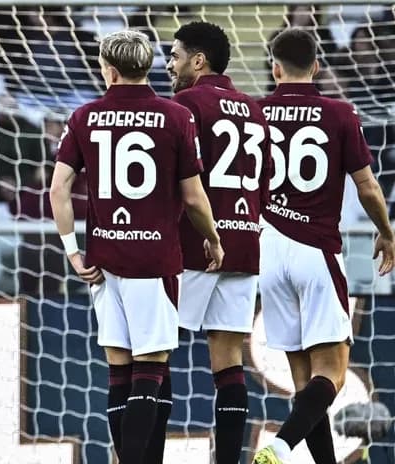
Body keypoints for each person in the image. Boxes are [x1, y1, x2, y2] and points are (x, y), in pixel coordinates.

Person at [49, 30, 223, 464]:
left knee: (119, 372)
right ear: (146, 66)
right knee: (152, 368)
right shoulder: (175, 116)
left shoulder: (84, 117)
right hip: (155, 260)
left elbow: (58, 190)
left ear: (108, 68)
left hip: (104, 261)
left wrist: (73, 250)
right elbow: (193, 196)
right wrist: (213, 237)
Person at [252, 28, 395, 464]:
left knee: (303, 383)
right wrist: (387, 232)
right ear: (317, 66)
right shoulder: (338, 112)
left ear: (274, 68)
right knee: (331, 373)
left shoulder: (254, 113)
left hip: (269, 252)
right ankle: (278, 447)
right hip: (316, 250)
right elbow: (368, 188)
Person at [166, 21, 271, 464]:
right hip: (244, 243)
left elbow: (177, 181)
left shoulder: (186, 104)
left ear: (198, 59)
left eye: (174, 56)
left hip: (197, 245)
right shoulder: (253, 108)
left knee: (148, 353)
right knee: (229, 365)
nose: (168, 65)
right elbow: (266, 180)